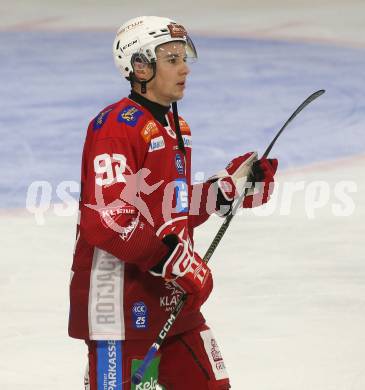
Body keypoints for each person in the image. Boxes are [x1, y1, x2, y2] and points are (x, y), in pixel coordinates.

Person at [68, 15, 278, 390]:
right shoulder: (115, 126)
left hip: (172, 303)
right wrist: (175, 262)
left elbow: (168, 207)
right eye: (171, 59)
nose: (184, 69)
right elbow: (109, 220)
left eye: (184, 57)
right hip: (119, 311)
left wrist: (226, 189)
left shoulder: (176, 128)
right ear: (140, 66)